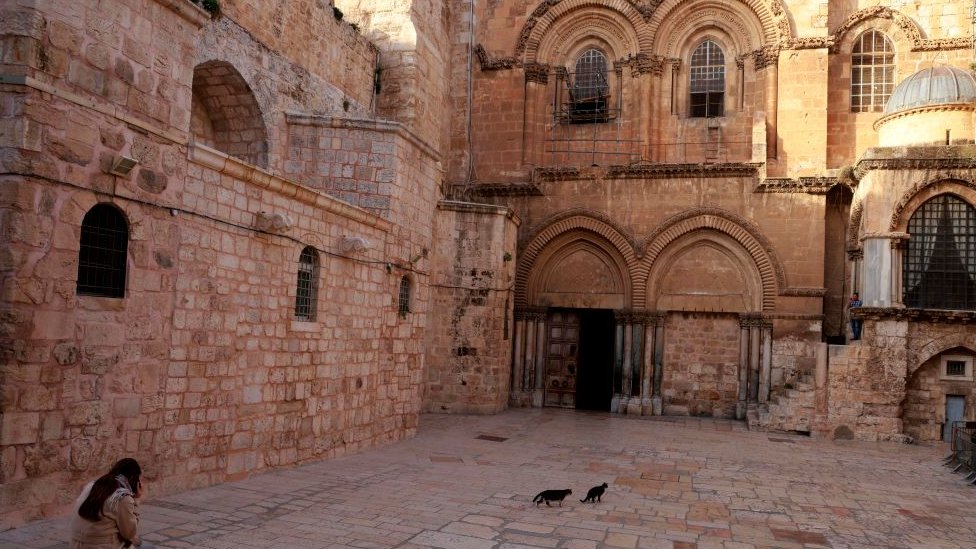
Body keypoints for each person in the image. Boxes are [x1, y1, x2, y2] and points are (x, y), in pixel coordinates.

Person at [70, 458, 153, 549]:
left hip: (76, 545)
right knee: (148, 547)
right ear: (135, 480)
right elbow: (129, 533)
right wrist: (137, 500)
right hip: (101, 546)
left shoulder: (92, 485)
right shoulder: (122, 497)